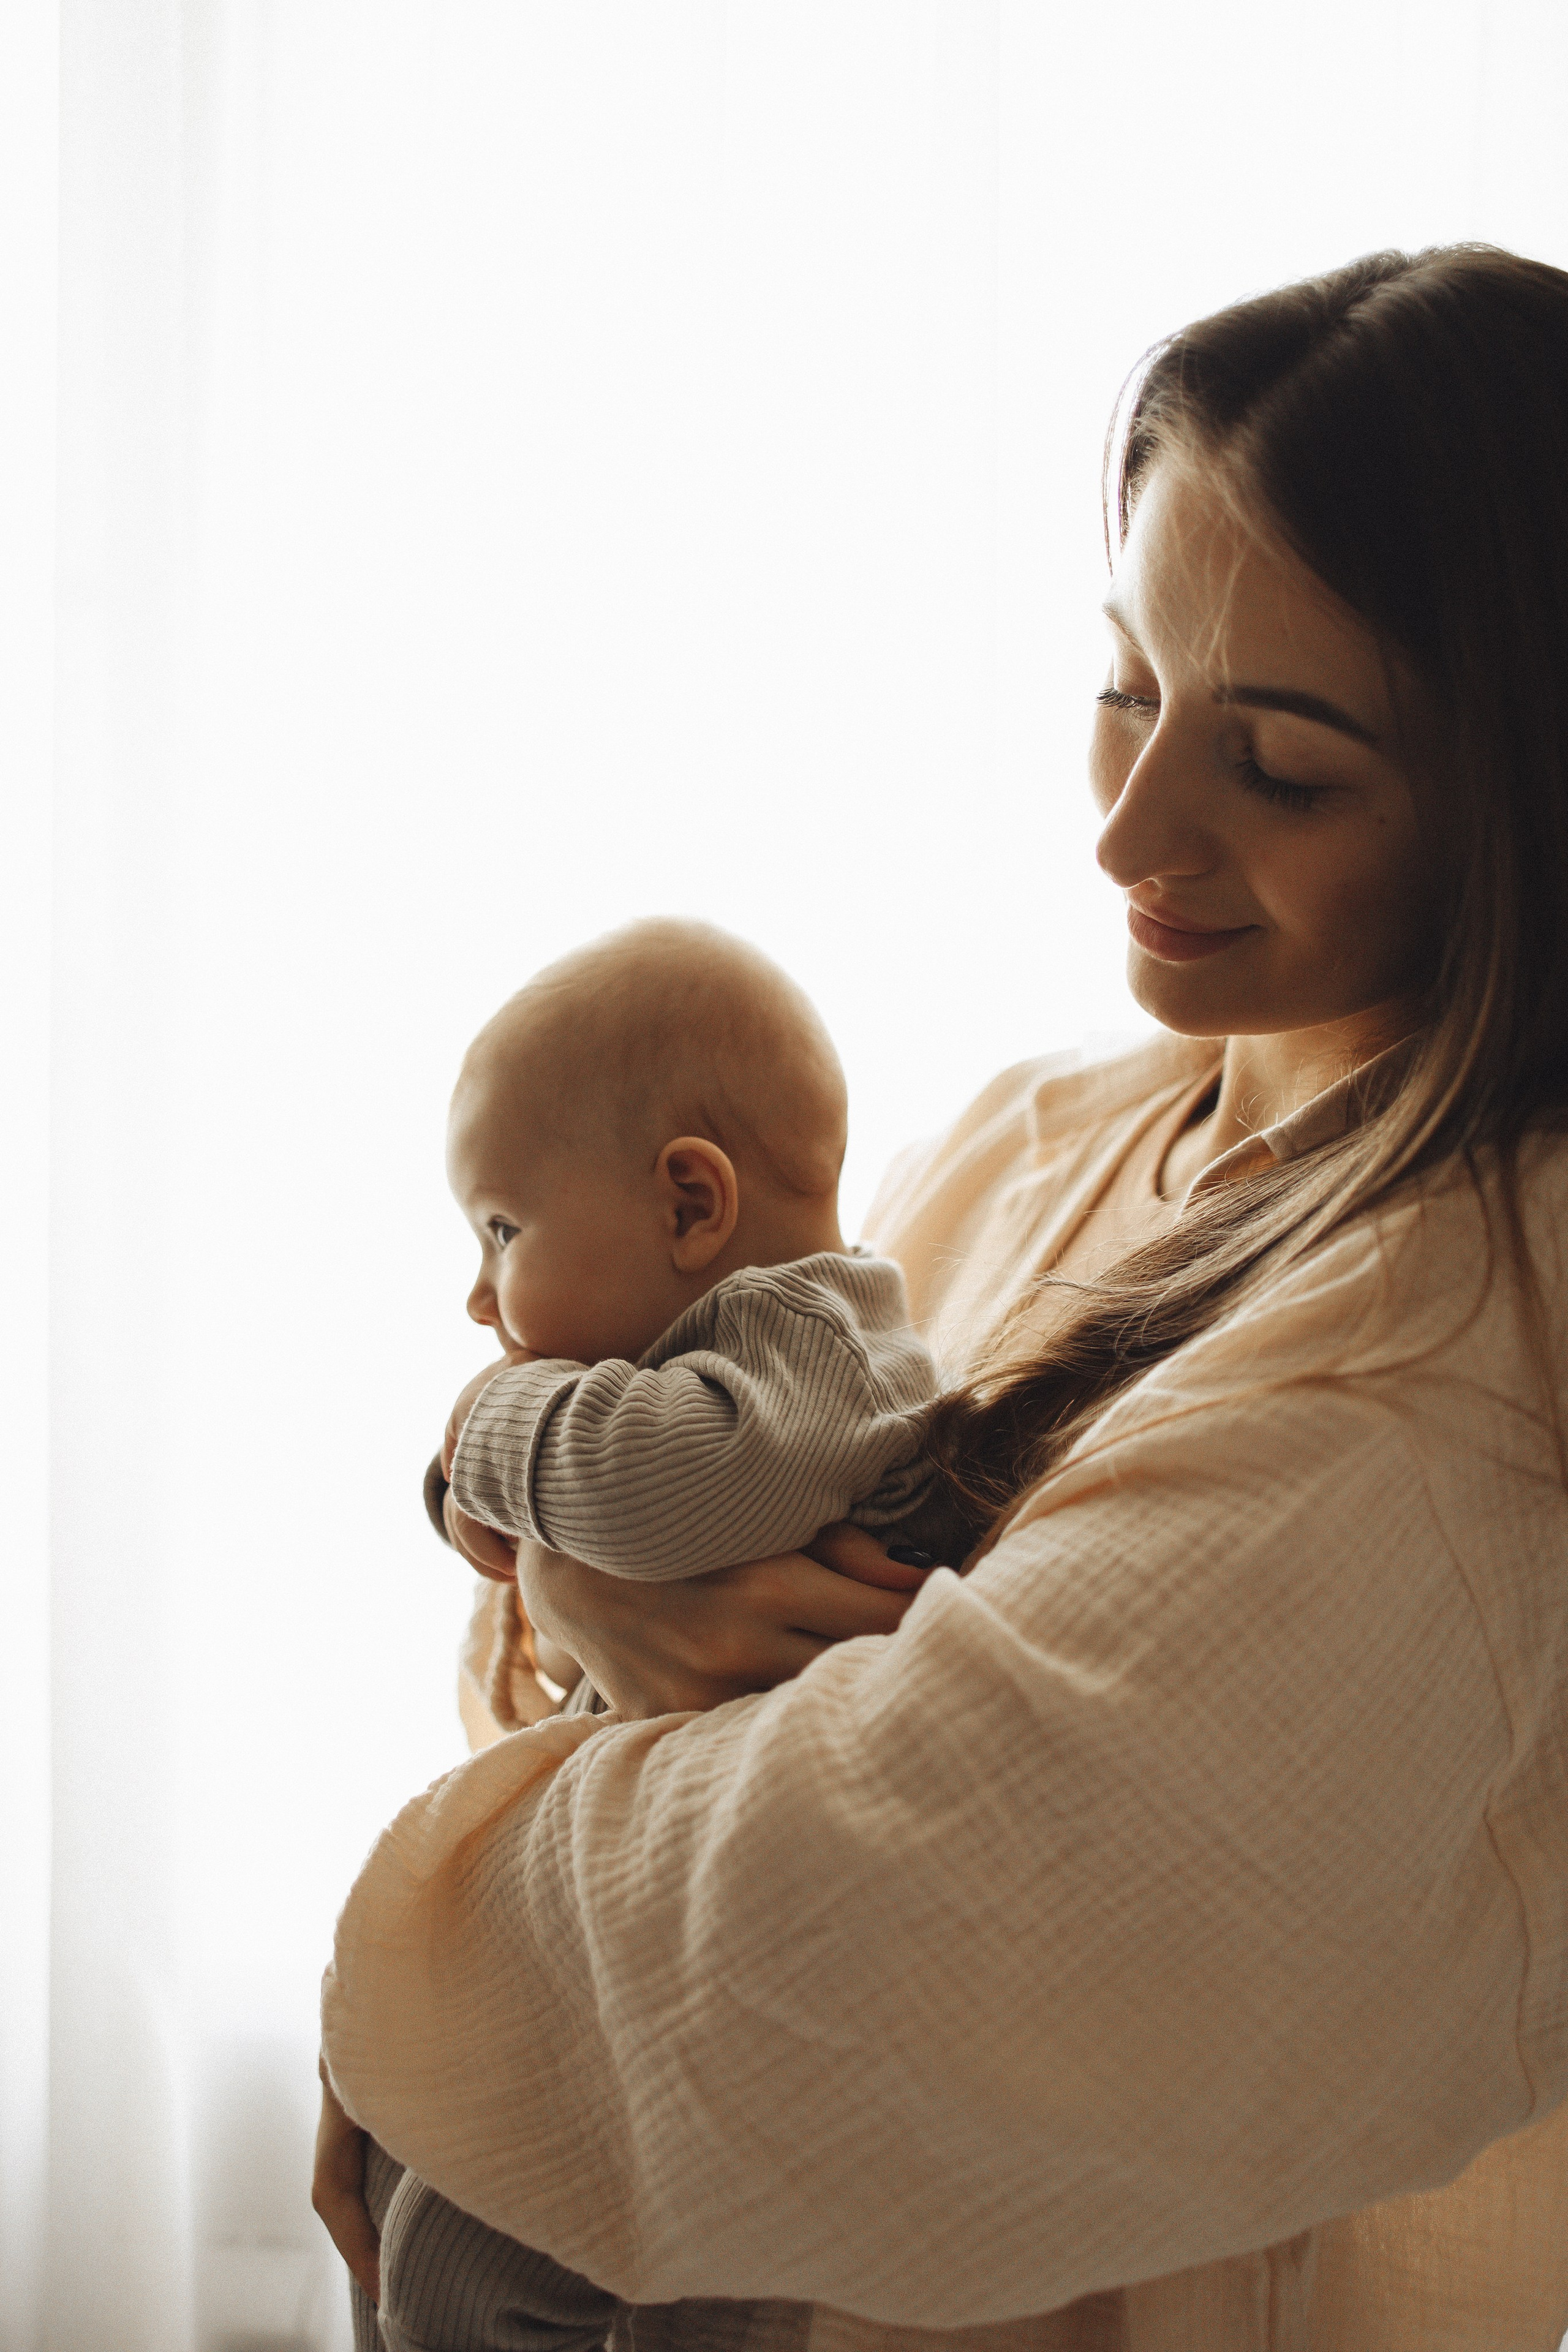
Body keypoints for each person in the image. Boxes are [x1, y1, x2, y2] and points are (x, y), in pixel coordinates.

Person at [315, 245, 1568, 2350]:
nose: (1134, 831)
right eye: (1123, 688)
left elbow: (850, 1935)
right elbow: (571, 1650)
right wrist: (582, 1586)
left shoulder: (1470, 1344)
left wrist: (573, 1607)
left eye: (1282, 766)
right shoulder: (1031, 1131)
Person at [350, 919, 962, 2351]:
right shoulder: (732, 1351)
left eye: (501, 1229)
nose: (476, 1292)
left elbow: (653, 1487)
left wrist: (483, 1424)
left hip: (733, 1951)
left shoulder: (813, 1338)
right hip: (692, 1942)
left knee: (460, 2268)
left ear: (692, 1205)